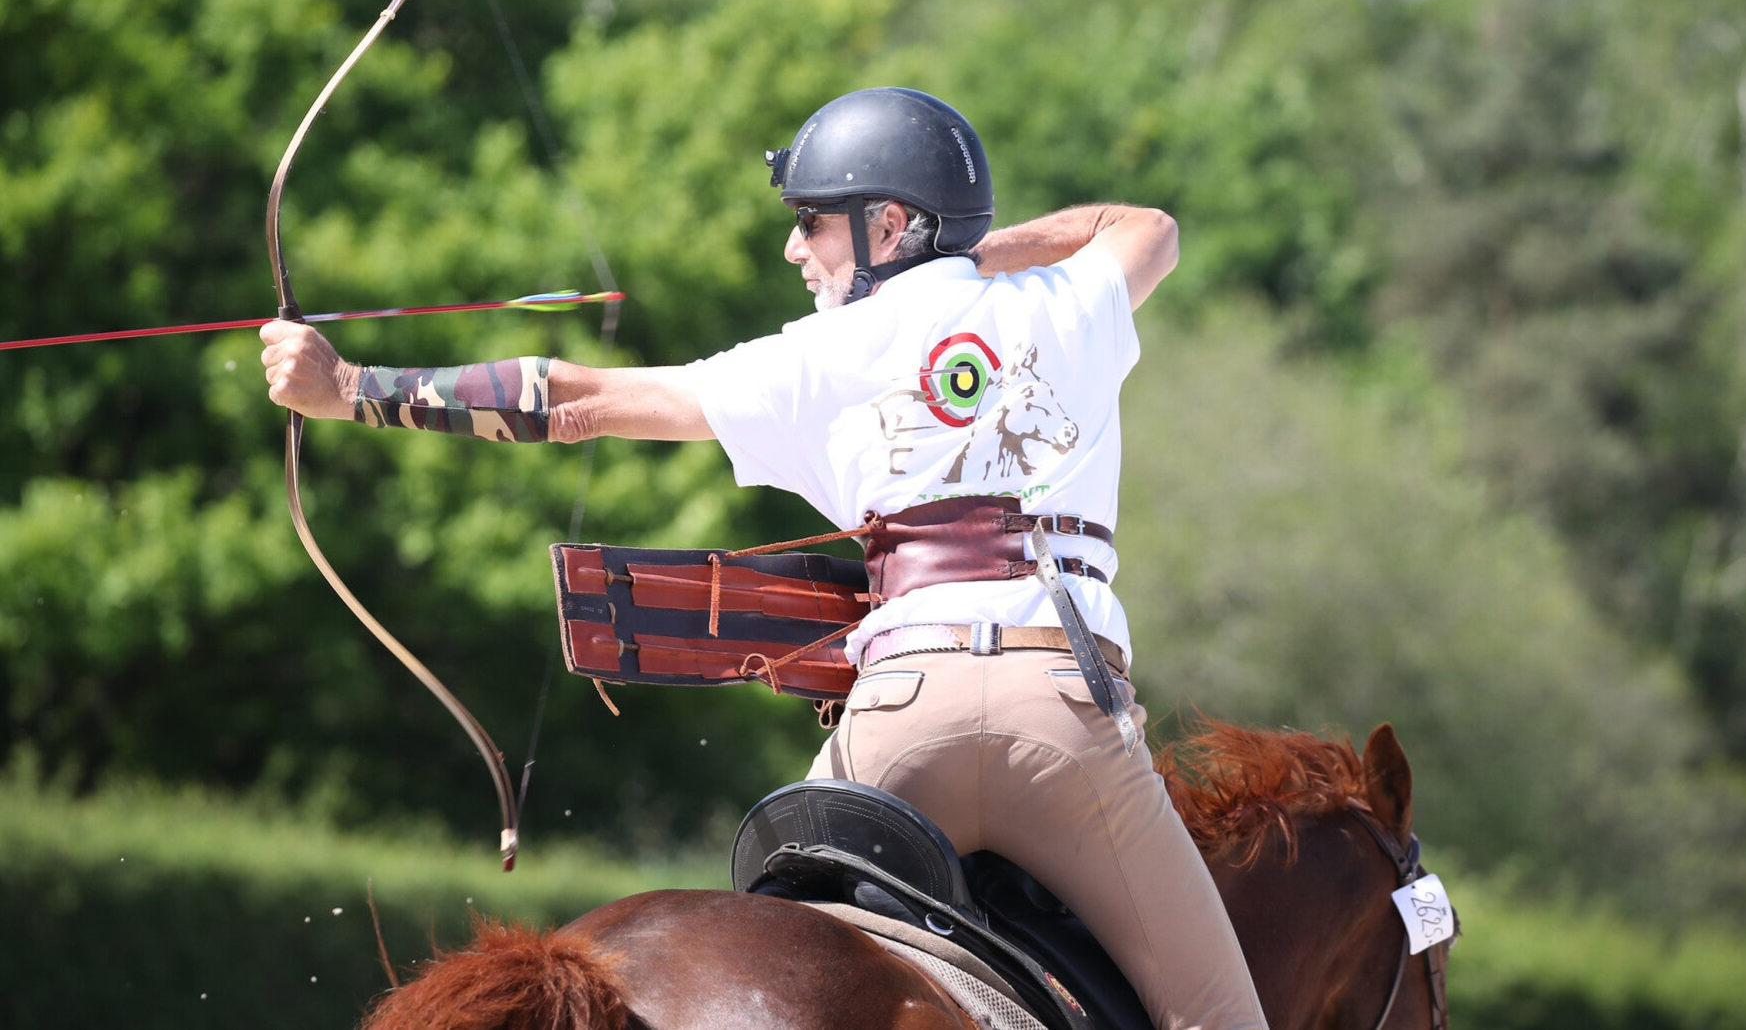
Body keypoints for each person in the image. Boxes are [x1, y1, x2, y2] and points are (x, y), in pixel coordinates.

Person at [261, 86, 1269, 1030]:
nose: (794, 248)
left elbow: (577, 399)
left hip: (897, 721)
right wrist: (965, 257)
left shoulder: (812, 355)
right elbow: (1145, 226)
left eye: (815, 222)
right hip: (1060, 722)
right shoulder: (1064, 303)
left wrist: (349, 389)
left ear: (888, 225)